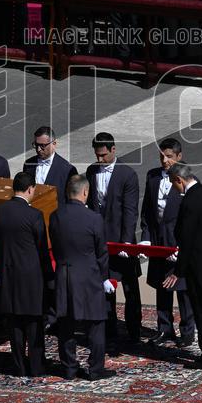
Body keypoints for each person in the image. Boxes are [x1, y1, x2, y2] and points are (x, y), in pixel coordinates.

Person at [0, 172, 54, 377]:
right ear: (30, 189)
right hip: (32, 279)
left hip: (8, 276)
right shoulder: (34, 215)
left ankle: (18, 366)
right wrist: (50, 277)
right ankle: (35, 366)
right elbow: (43, 251)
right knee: (33, 324)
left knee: (14, 324)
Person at [163, 163, 202, 369]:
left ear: (179, 180)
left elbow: (187, 239)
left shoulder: (190, 202)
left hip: (198, 265)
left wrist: (178, 271)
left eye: (174, 185)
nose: (175, 189)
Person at [49, 174, 113, 380]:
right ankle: (95, 369)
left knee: (66, 324)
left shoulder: (56, 216)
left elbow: (56, 246)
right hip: (89, 277)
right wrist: (105, 278)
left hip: (64, 274)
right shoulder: (94, 218)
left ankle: (69, 368)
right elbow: (101, 252)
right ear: (85, 192)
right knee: (96, 324)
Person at [85, 132, 140, 350]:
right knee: (105, 287)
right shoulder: (91, 171)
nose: (100, 160)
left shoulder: (127, 174)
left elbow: (130, 211)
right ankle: (110, 331)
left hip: (122, 240)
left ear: (113, 150)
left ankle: (134, 331)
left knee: (129, 288)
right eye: (97, 155)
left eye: (104, 155)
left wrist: (126, 243)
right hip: (101, 240)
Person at [139, 138, 194, 347]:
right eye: (162, 156)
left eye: (169, 157)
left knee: (182, 288)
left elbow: (189, 217)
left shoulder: (188, 179)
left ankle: (187, 331)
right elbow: (147, 211)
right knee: (162, 286)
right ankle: (164, 328)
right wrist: (145, 237)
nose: (165, 160)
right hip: (158, 241)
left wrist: (182, 246)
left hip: (177, 242)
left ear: (179, 157)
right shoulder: (152, 177)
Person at [22, 125, 77, 206]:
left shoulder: (68, 170)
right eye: (36, 145)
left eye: (43, 146)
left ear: (54, 144)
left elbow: (72, 201)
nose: (38, 149)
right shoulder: (28, 164)